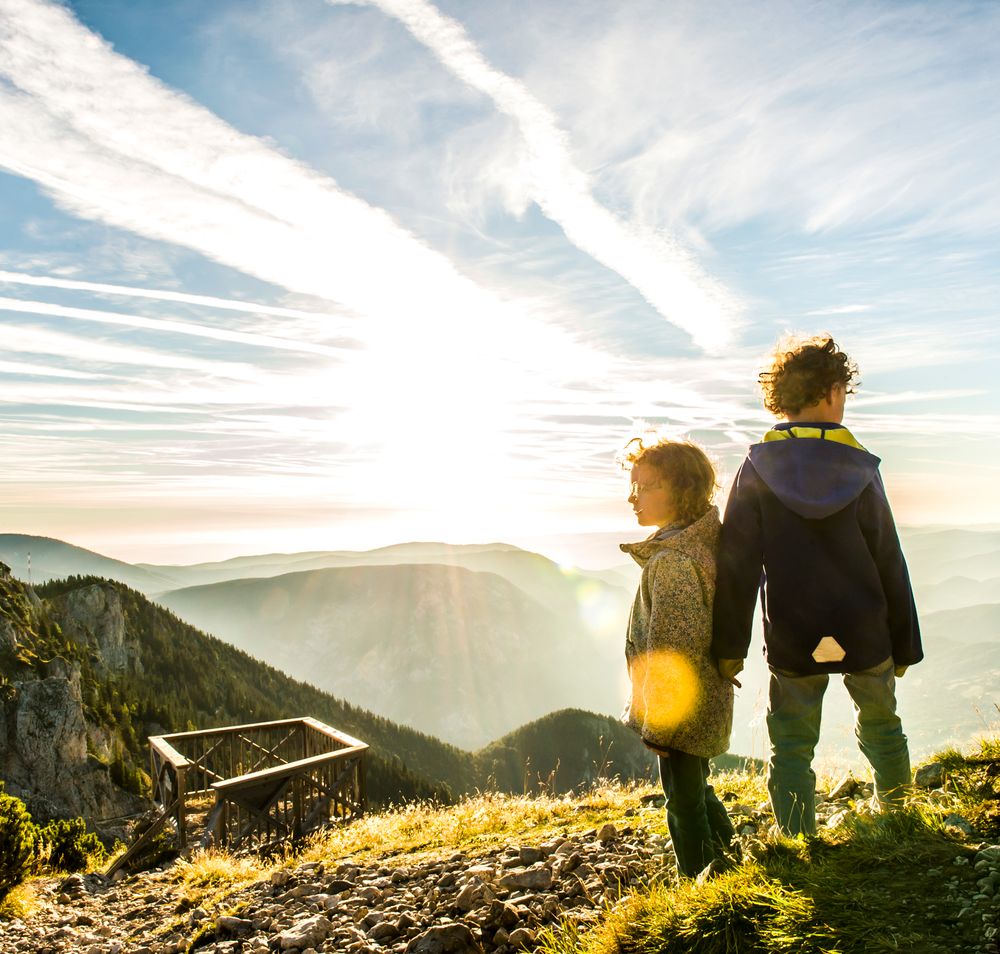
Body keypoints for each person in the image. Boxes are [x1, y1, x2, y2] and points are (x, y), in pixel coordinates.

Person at [712, 335, 922, 836]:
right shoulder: (861, 467)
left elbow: (737, 565)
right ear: (832, 392)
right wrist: (905, 644)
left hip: (792, 629)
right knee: (882, 724)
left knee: (790, 740)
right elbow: (888, 557)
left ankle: (796, 835)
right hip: (865, 624)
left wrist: (729, 647)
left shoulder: (757, 467)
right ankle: (900, 819)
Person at [620, 437, 735, 877]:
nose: (634, 498)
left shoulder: (673, 561)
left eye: (646, 487)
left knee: (683, 801)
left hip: (682, 710)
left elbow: (674, 649)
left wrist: (661, 725)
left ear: (683, 489)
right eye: (633, 487)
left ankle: (703, 884)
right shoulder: (700, 543)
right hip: (704, 699)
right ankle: (732, 864)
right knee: (698, 791)